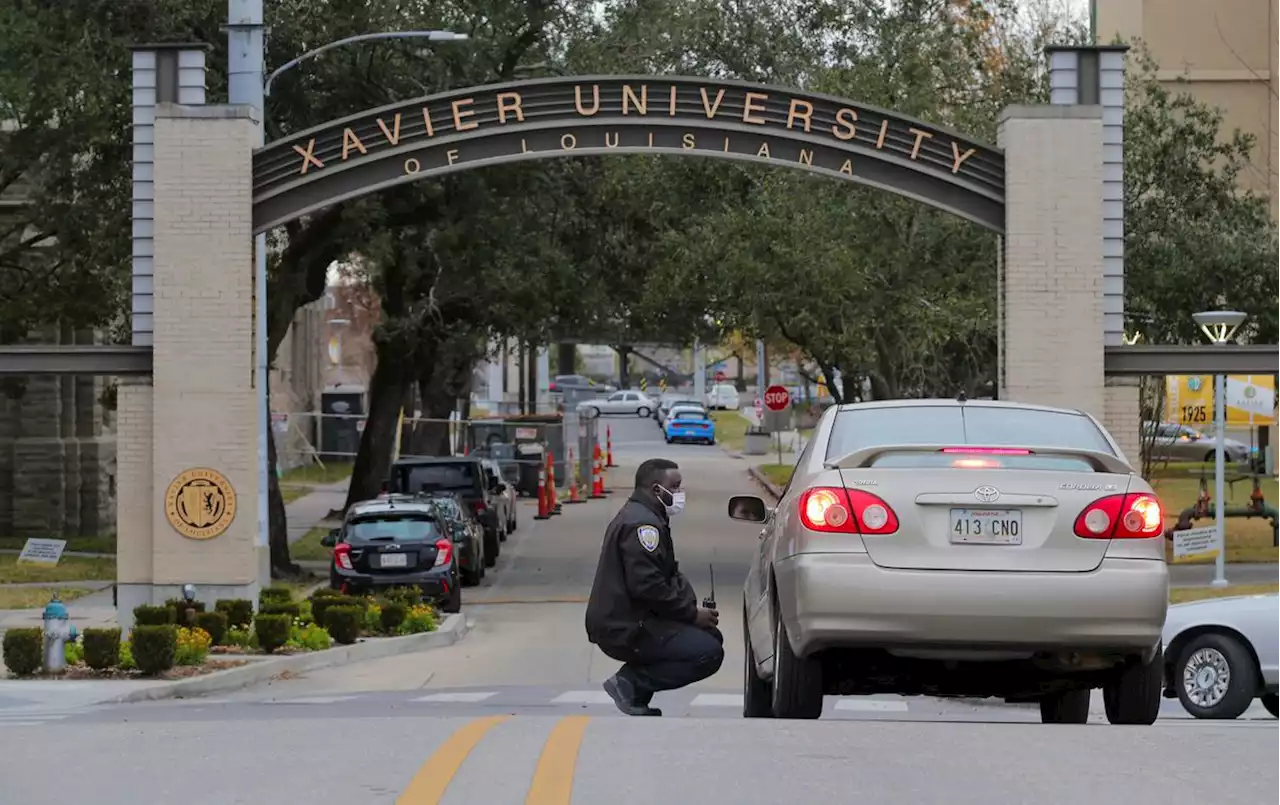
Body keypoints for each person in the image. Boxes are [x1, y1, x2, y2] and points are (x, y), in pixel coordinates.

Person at [584, 457, 724, 716]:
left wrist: (689, 610)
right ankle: (630, 683)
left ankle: (635, 690)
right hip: (625, 627)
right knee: (708, 652)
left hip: (634, 620)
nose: (680, 494)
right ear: (657, 490)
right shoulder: (643, 526)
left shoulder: (645, 516)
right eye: (676, 487)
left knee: (710, 638)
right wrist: (691, 615)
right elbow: (648, 587)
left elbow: (665, 577)